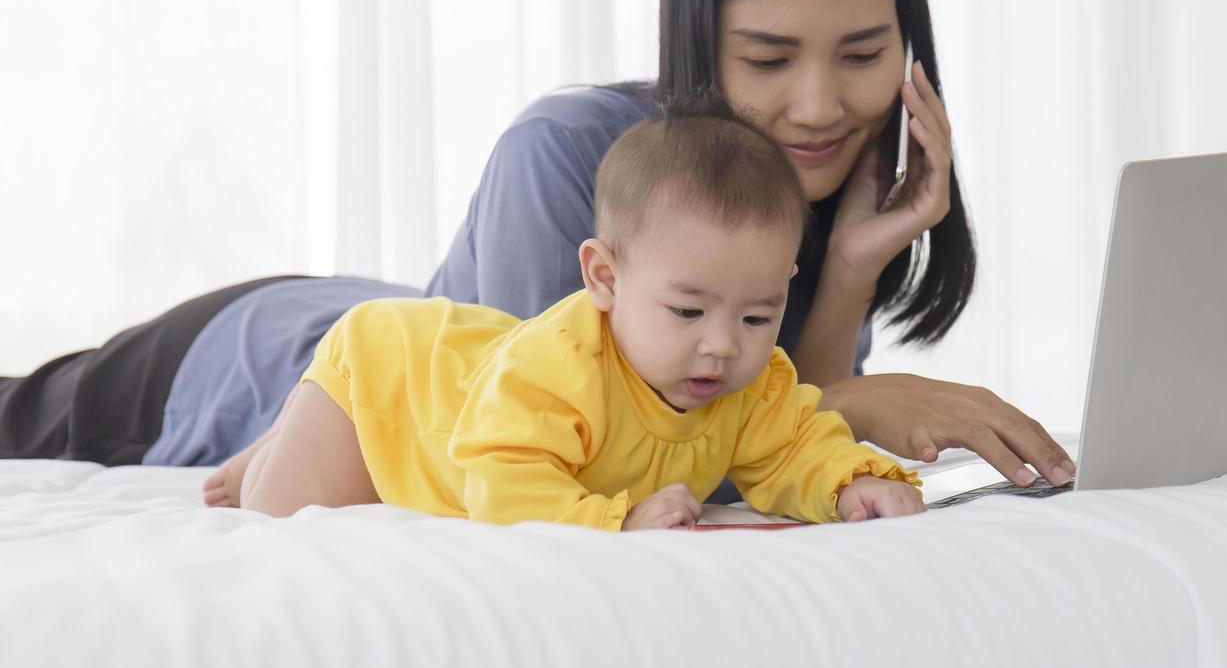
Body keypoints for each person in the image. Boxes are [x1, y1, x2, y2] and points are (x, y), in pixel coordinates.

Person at [0, 0, 1076, 494]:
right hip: (249, 370)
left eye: (861, 55)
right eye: (766, 55)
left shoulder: (826, 184)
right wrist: (866, 401)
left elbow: (759, 418)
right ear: (697, 42)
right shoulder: (564, 153)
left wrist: (845, 269)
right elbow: (546, 450)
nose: (818, 103)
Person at [229, 104, 925, 529]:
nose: (721, 346)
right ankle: (280, 441)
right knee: (283, 522)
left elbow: (795, 447)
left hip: (454, 376)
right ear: (604, 278)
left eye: (758, 316)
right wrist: (612, 523)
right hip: (391, 382)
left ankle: (282, 439)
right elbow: (501, 479)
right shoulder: (561, 368)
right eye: (687, 310)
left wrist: (853, 484)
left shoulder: (751, 382)